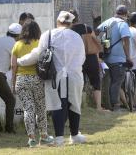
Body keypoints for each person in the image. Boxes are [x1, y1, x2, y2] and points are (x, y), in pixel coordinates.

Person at [17, 11, 86, 146]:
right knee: (75, 105)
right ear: (71, 23)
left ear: (57, 21)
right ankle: (74, 134)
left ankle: (59, 137)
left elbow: (37, 54)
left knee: (57, 105)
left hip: (56, 76)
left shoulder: (48, 34)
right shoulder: (77, 36)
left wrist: (20, 61)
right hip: (74, 75)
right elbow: (82, 58)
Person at [11, 20, 53, 147]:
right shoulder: (39, 43)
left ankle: (31, 138)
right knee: (40, 107)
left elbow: (13, 66)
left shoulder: (17, 44)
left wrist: (13, 83)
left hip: (21, 79)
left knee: (28, 109)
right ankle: (44, 136)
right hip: (37, 79)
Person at [96, 5, 132, 111]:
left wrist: (98, 46)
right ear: (125, 14)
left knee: (107, 82)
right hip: (118, 59)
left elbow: (96, 32)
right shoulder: (123, 24)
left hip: (106, 57)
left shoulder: (108, 22)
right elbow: (126, 41)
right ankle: (116, 106)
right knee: (116, 82)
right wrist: (128, 57)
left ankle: (107, 104)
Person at [70, 10, 107, 111]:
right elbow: (97, 41)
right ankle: (98, 107)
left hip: (76, 59)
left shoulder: (69, 30)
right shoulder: (87, 28)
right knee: (96, 82)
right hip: (90, 58)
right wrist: (99, 54)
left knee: (79, 83)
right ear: (78, 17)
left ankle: (78, 106)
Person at [0, 23, 22, 133]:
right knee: (10, 100)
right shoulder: (13, 43)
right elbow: (17, 62)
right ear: (18, 35)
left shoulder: (1, 40)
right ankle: (9, 128)